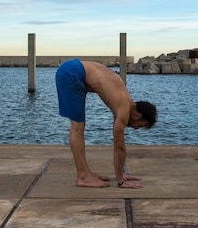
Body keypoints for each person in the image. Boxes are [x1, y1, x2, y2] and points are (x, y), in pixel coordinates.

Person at [55, 58, 157, 188]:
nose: (136, 129)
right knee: (77, 127)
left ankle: (86, 172)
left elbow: (118, 143)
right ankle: (83, 176)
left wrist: (121, 174)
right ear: (138, 115)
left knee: (79, 126)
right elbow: (119, 146)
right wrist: (120, 181)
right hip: (72, 73)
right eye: (140, 126)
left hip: (74, 70)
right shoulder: (124, 110)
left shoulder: (123, 102)